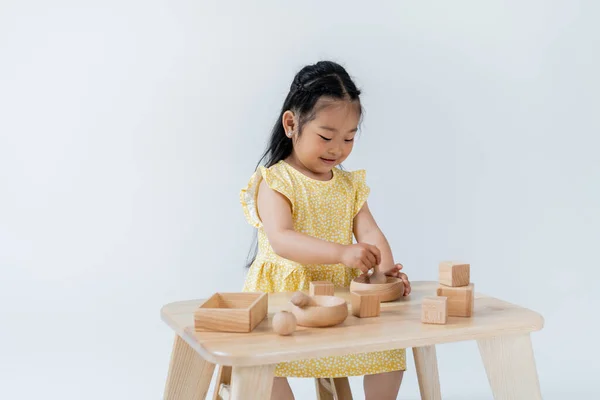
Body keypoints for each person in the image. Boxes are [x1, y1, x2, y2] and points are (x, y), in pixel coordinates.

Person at [239, 60, 411, 400]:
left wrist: (385, 274)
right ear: (292, 124)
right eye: (326, 136)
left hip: (338, 297)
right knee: (266, 363)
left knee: (391, 351)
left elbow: (372, 234)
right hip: (285, 298)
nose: (337, 148)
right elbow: (282, 239)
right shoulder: (275, 181)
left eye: (348, 138)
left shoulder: (348, 185)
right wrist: (342, 253)